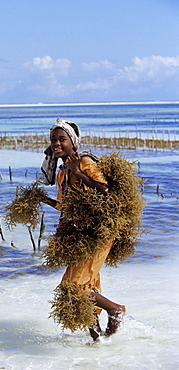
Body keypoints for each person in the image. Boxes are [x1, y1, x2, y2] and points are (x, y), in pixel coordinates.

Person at [41, 118, 127, 340]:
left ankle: (115, 310)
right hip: (80, 236)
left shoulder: (86, 162)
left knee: (72, 287)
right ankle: (97, 338)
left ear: (73, 142)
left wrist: (77, 172)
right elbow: (64, 206)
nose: (57, 143)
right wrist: (43, 200)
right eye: (53, 140)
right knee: (87, 285)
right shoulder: (61, 174)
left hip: (98, 233)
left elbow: (105, 190)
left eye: (62, 139)